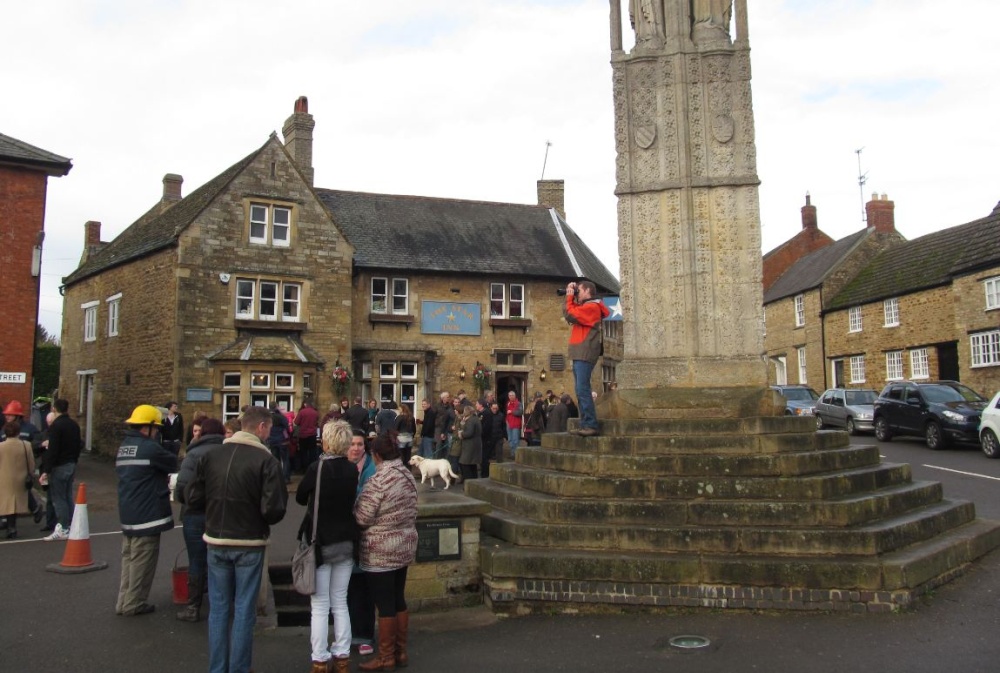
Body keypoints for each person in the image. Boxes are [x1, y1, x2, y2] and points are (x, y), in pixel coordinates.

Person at [185, 405, 287, 673]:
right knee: (244, 609)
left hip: (216, 540)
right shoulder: (267, 461)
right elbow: (274, 510)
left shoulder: (211, 455)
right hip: (249, 542)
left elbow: (193, 497)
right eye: (269, 428)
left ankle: (218, 668)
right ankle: (239, 668)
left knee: (218, 608)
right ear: (262, 427)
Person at [296, 420, 360, 673]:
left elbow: (301, 497)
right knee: (340, 601)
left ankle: (320, 659)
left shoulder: (317, 468)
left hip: (320, 542)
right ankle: (342, 657)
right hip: (345, 541)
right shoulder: (351, 469)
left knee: (320, 606)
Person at [354, 433, 418, 672]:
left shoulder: (379, 480)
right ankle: (400, 652)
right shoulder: (407, 476)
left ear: (376, 455)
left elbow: (362, 517)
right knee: (398, 598)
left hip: (381, 550)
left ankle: (386, 657)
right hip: (404, 546)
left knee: (384, 604)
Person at [115, 404, 178, 616]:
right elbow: (172, 462)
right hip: (147, 513)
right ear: (148, 428)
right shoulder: (150, 448)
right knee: (143, 561)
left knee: (129, 559)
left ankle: (124, 600)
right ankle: (134, 603)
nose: (158, 433)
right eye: (157, 429)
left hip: (129, 512)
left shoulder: (125, 446)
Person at [173, 417, 226, 622]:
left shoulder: (192, 453)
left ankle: (193, 607)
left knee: (196, 560)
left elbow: (181, 488)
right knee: (219, 560)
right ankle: (219, 606)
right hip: (220, 514)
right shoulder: (227, 452)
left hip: (194, 514)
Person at [564, 280, 610, 437]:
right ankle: (585, 424)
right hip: (580, 352)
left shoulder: (592, 307)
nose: (578, 292)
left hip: (585, 352)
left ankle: (590, 424)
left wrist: (570, 297)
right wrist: (571, 297)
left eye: (580, 290)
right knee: (579, 389)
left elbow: (570, 313)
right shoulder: (586, 307)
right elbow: (569, 313)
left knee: (583, 388)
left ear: (588, 291)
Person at [347, 429, 377, 657]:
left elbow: (369, 501)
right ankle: (345, 636)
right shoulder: (338, 467)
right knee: (341, 591)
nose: (356, 448)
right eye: (352, 444)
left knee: (362, 588)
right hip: (341, 538)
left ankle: (364, 636)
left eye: (359, 444)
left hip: (365, 537)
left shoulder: (371, 469)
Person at [40, 398, 83, 540]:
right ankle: (71, 525)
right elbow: (78, 445)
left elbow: (53, 449)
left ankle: (63, 528)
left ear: (54, 409)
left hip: (59, 465)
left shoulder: (56, 426)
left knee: (58, 498)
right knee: (68, 496)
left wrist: (46, 470)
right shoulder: (74, 425)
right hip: (71, 463)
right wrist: (74, 460)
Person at [0, 420, 34, 539]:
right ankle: (12, 528)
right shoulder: (26, 445)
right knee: (13, 504)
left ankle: (7, 525)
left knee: (5, 503)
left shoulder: (1, 446)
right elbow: (31, 464)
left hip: (3, 479)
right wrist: (30, 474)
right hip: (20, 478)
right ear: (18, 432)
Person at [267, 403, 292, 483]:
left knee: (275, 460)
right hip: (282, 441)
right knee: (285, 460)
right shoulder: (281, 417)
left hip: (271, 440)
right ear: (276, 407)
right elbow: (287, 428)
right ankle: (286, 478)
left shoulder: (267, 417)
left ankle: (276, 477)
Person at [458, 405, 482, 481]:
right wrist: (463, 423)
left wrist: (461, 434)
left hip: (470, 445)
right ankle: (474, 482)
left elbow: (469, 433)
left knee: (465, 464)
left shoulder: (471, 420)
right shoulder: (476, 419)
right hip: (475, 444)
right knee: (472, 464)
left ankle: (468, 483)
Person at [295, 401, 320, 470]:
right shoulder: (315, 412)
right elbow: (317, 422)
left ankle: (304, 469)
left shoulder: (302, 412)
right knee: (312, 452)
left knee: (303, 452)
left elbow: (296, 422)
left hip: (303, 435)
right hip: (312, 435)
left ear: (306, 404)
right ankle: (313, 468)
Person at [504, 390, 523, 455]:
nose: (511, 397)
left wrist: (511, 411)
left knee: (515, 440)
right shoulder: (508, 403)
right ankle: (512, 453)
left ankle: (516, 454)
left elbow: (520, 412)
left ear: (515, 396)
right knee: (510, 439)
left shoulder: (519, 403)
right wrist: (506, 421)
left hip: (516, 424)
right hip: (509, 423)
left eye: (512, 395)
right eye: (510, 395)